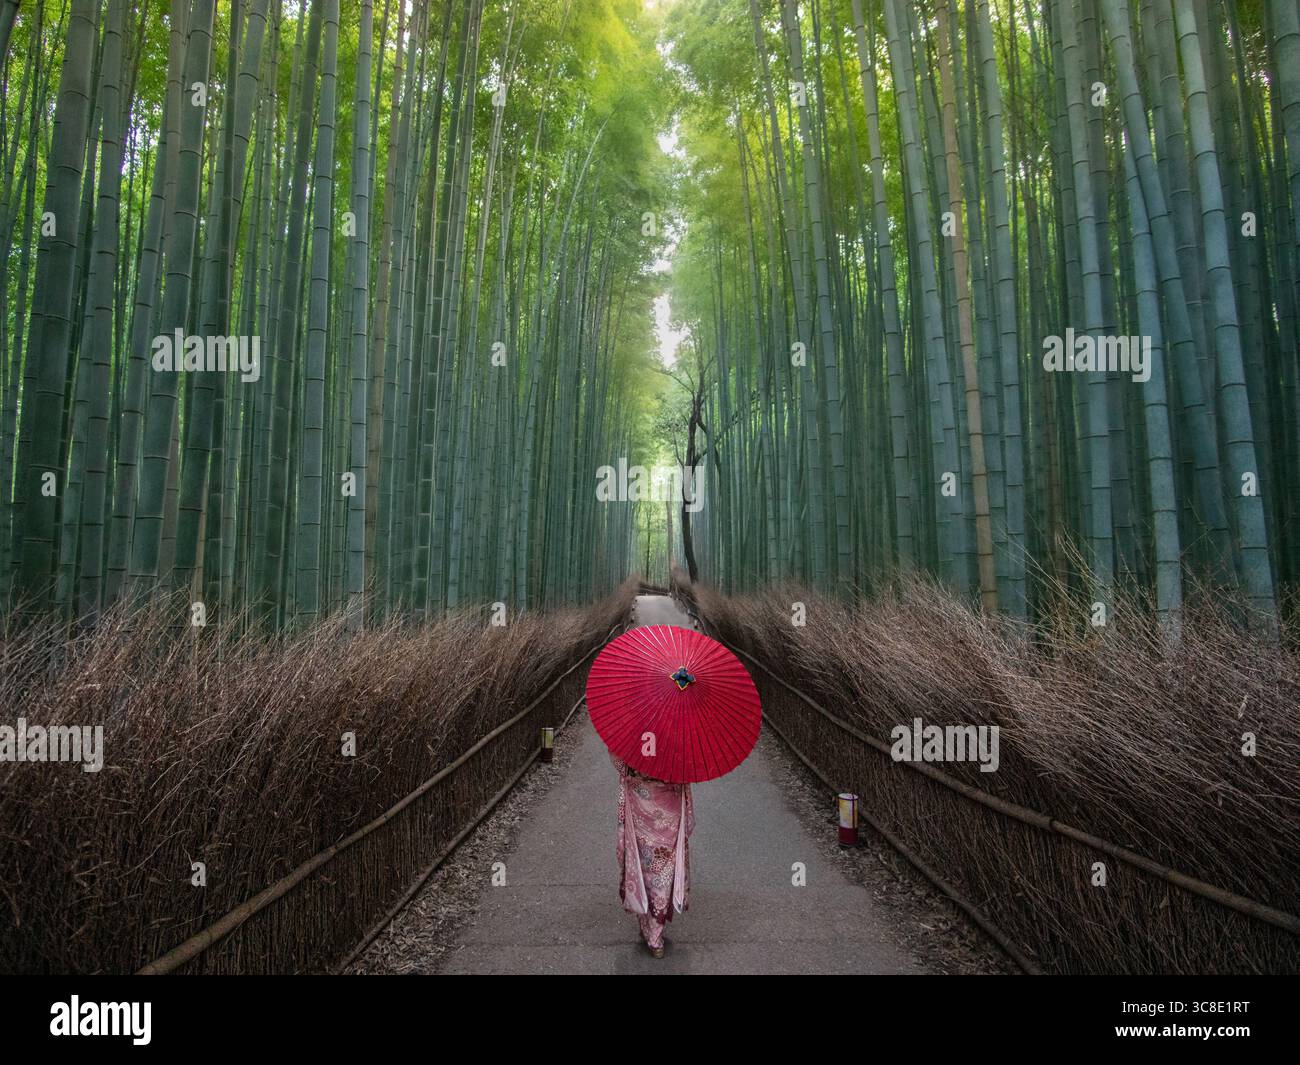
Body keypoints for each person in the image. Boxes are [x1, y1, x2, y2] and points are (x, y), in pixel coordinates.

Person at [610, 752, 694, 958]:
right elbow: (688, 769)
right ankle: (655, 933)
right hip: (669, 807)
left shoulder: (633, 735)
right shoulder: (679, 738)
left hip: (640, 802)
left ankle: (646, 921)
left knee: (640, 863)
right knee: (663, 870)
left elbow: (620, 765)